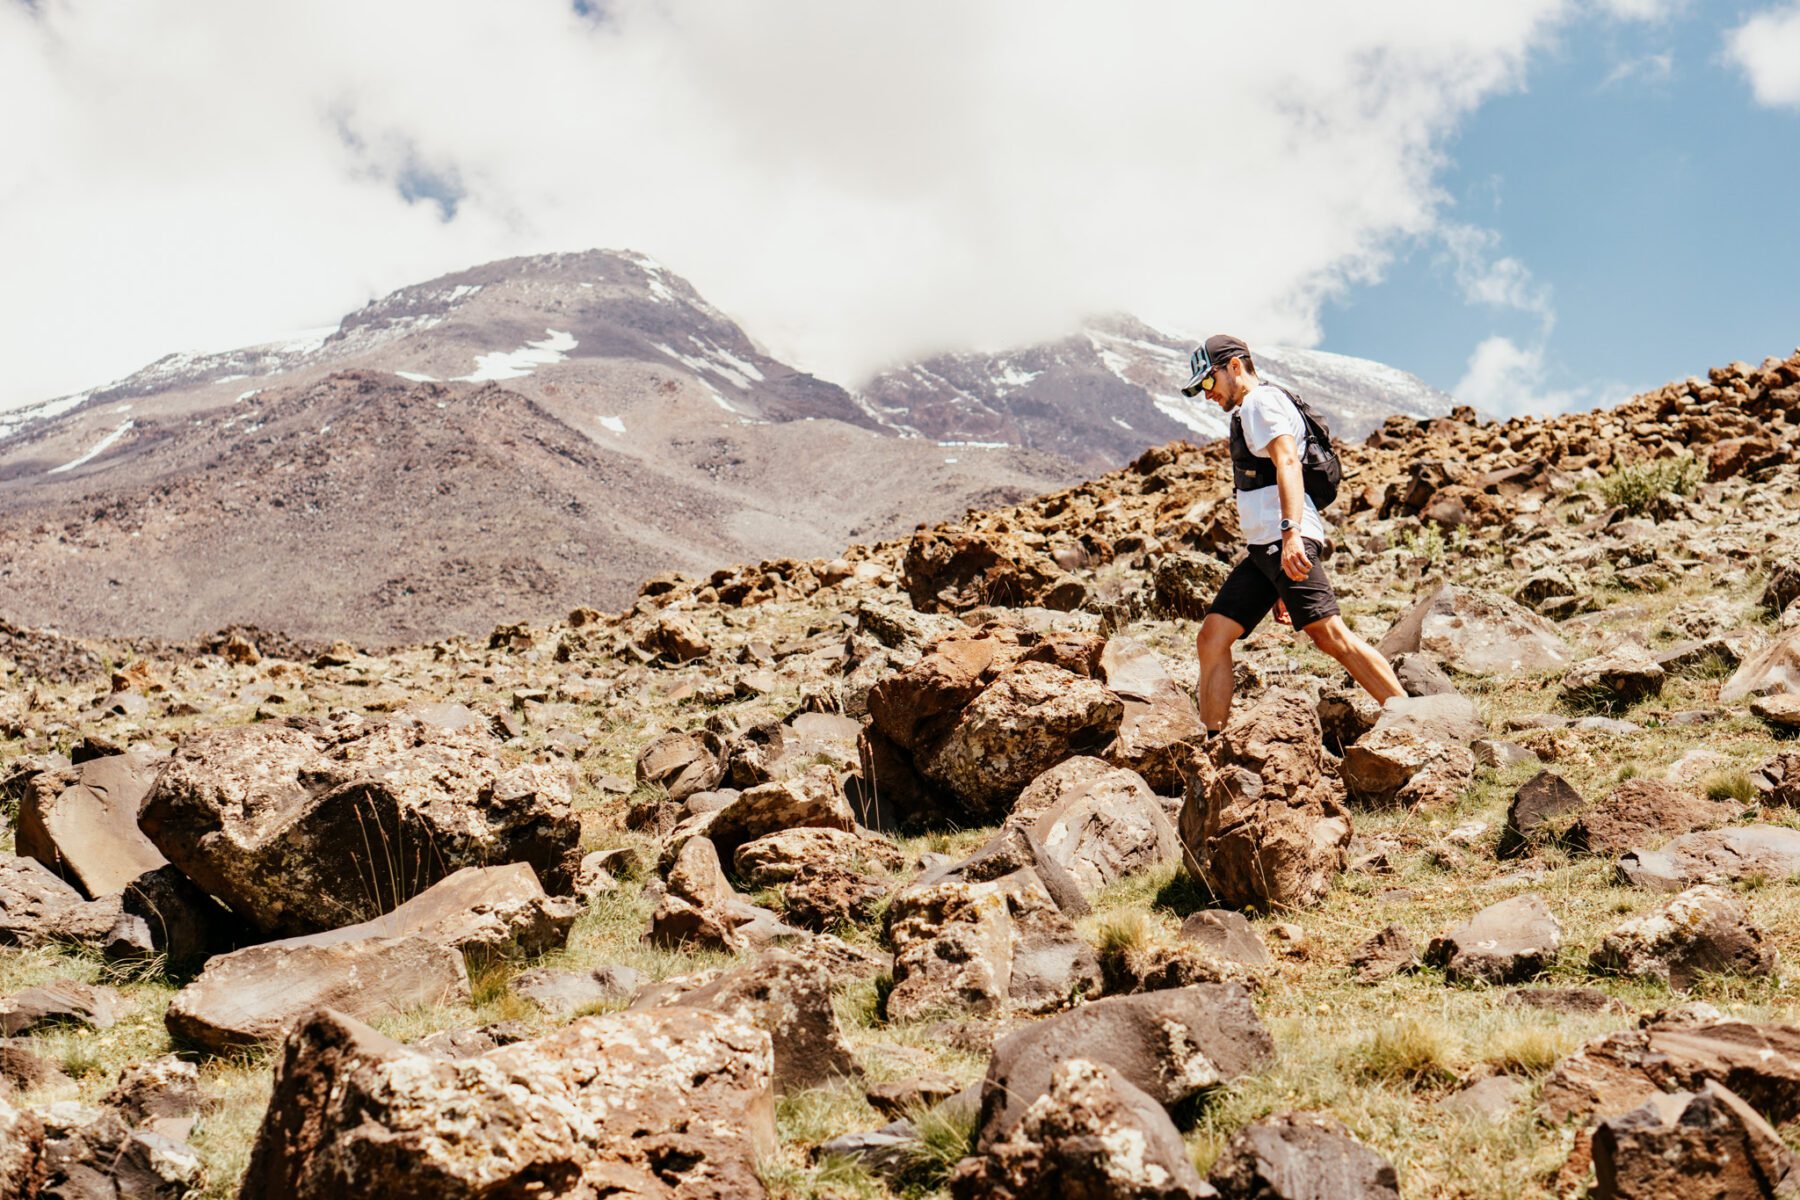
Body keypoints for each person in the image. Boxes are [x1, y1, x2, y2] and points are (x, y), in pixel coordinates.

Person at [1181, 333, 1403, 732]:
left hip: (1281, 538)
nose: (1206, 394)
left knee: (1330, 634)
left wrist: (1291, 535)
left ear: (1235, 366)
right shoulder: (1251, 407)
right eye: (1200, 389)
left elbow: (1287, 463)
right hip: (1265, 549)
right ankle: (1211, 740)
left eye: (1208, 382)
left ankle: (1411, 716)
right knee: (1212, 636)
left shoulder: (1260, 402)